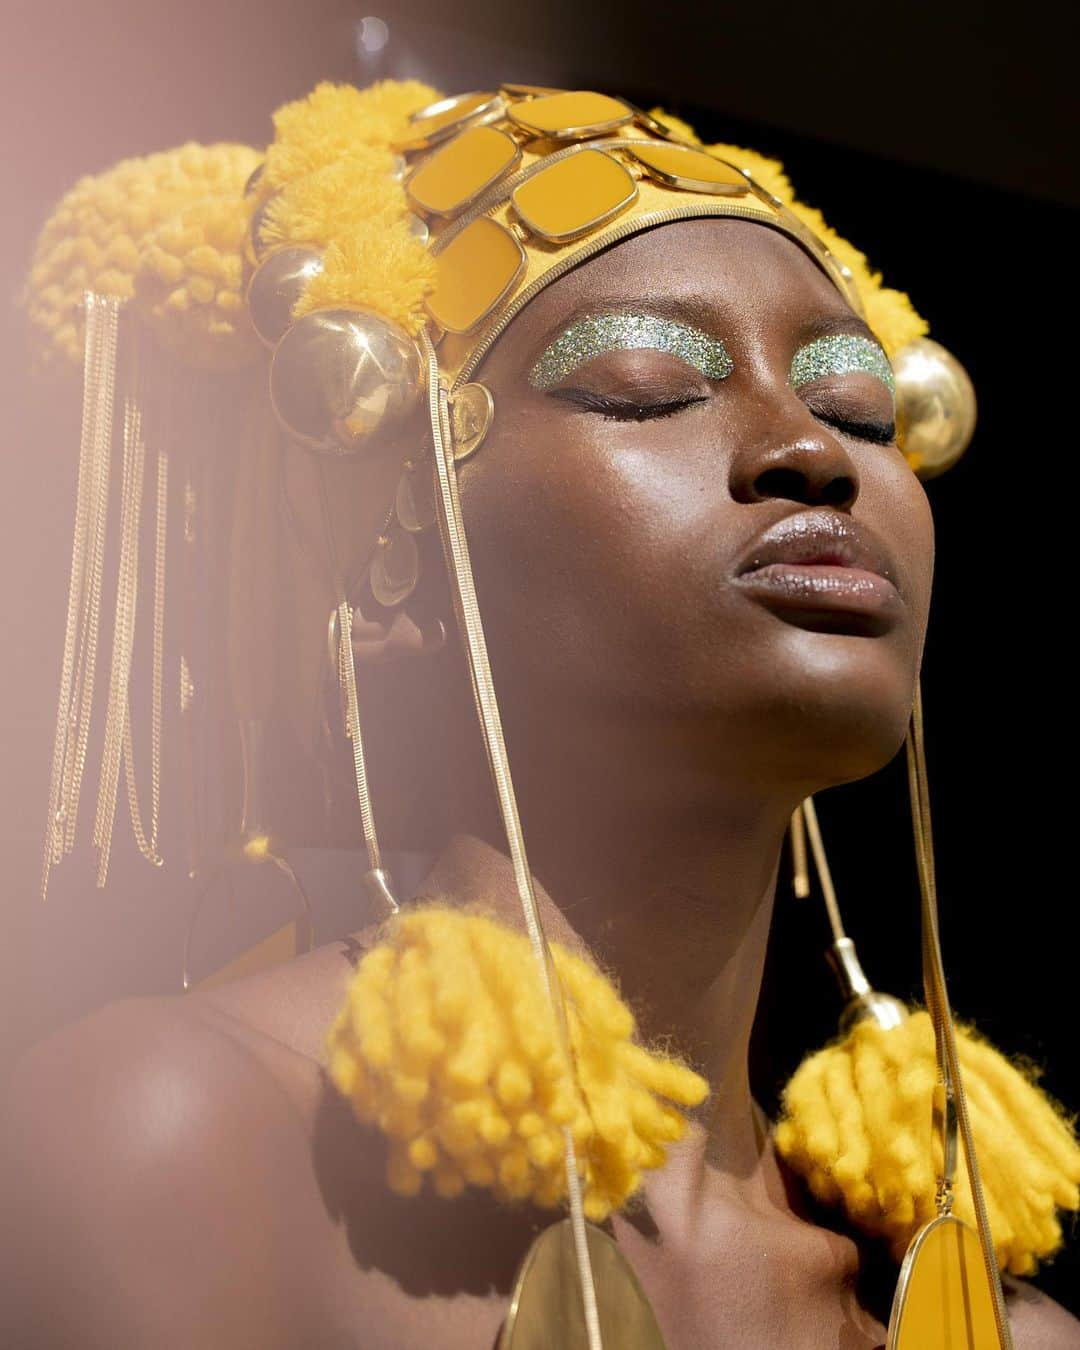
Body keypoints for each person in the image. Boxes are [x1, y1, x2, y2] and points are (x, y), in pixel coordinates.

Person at [3, 80, 1079, 1349]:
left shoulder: (1004, 1331)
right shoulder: (170, 1150)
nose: (814, 451)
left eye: (857, 409)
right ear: (386, 571)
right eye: (644, 386)